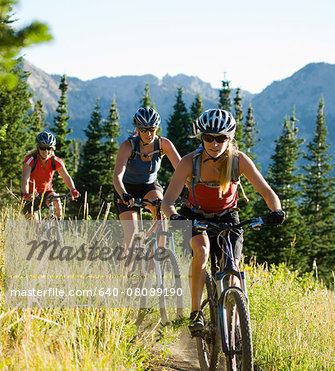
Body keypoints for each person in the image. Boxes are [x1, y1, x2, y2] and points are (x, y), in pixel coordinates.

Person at [162, 109, 285, 333]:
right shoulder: (190, 162)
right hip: (195, 215)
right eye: (208, 137)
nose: (214, 143)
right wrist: (174, 216)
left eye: (221, 138)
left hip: (228, 217)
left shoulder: (238, 161)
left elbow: (267, 192)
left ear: (230, 138)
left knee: (232, 270)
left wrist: (276, 210)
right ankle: (195, 313)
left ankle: (237, 329)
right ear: (201, 138)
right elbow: (167, 200)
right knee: (203, 250)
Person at [113, 106, 181, 248]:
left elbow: (182, 171)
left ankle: (157, 259)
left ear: (156, 128)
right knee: (131, 235)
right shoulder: (128, 146)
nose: (148, 133)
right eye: (143, 130)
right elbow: (117, 176)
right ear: (137, 129)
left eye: (152, 129)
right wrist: (124, 194)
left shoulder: (163, 144)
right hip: (127, 188)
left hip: (149, 185)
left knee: (161, 214)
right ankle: (126, 269)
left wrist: (192, 191)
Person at [21, 130, 79, 220]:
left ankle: (57, 229)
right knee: (34, 224)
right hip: (31, 194)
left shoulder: (55, 161)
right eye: (43, 148)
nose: (46, 151)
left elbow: (65, 176)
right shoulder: (30, 160)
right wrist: (25, 193)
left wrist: (72, 189)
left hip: (46, 192)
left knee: (56, 202)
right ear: (38, 148)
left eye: (49, 148)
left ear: (52, 149)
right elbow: (25, 178)